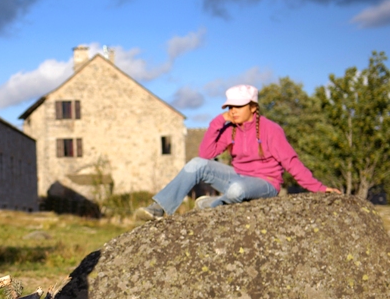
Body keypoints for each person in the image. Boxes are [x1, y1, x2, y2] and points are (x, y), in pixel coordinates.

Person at [136, 84, 339, 221]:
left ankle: (212, 205)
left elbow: (291, 162)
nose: (233, 110)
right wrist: (218, 122)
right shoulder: (230, 128)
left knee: (237, 190)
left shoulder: (271, 130)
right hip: (237, 177)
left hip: (266, 183)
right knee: (196, 164)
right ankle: (159, 208)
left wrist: (319, 189)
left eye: (238, 106)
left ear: (253, 107)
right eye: (230, 106)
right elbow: (205, 155)